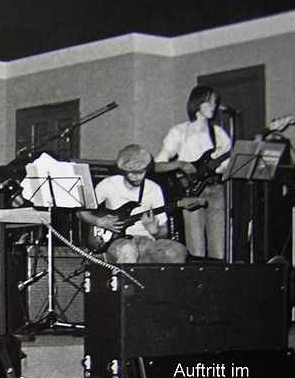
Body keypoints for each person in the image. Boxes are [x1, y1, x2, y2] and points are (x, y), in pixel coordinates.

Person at [154, 85, 231, 260]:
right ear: (197, 103)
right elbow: (158, 165)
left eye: (215, 102)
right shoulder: (179, 131)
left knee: (219, 250)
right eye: (209, 102)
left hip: (217, 189)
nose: (213, 106)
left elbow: (229, 164)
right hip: (191, 191)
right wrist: (180, 164)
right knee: (196, 248)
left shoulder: (218, 133)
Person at [77, 144, 188, 263]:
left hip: (146, 241)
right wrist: (98, 221)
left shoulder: (154, 189)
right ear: (123, 170)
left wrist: (155, 231)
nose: (137, 177)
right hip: (117, 242)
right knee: (128, 249)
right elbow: (80, 212)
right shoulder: (108, 184)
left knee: (178, 251)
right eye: (132, 173)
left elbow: (163, 232)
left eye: (141, 172)